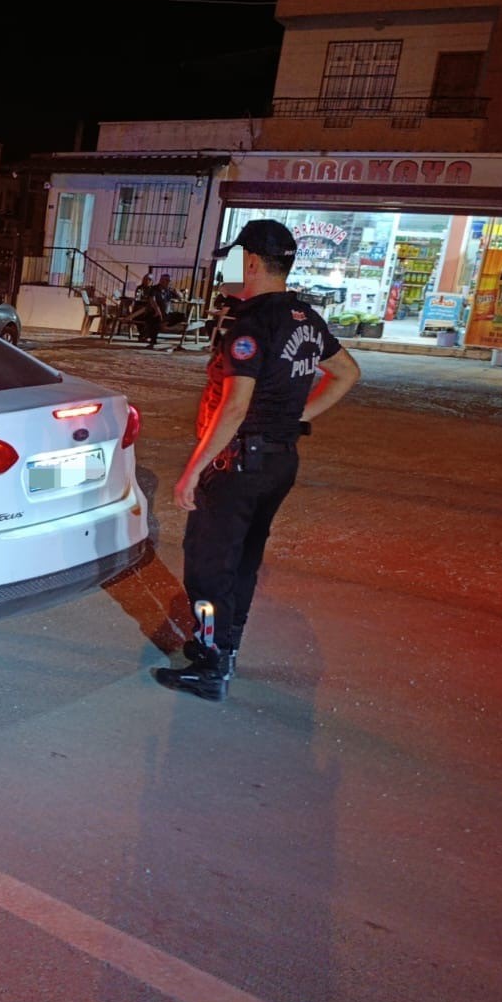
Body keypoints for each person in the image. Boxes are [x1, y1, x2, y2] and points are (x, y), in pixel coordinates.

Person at [154, 219, 362, 702]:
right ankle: (226, 646)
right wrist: (297, 412)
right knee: (243, 561)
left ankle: (209, 664)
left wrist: (192, 472)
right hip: (280, 462)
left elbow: (234, 407)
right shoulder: (306, 319)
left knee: (207, 569)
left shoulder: (250, 323)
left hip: (238, 466)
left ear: (250, 261)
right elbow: (347, 373)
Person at [137, 273, 176, 349]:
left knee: (182, 316)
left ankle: (165, 325)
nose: (168, 282)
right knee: (155, 319)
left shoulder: (168, 290)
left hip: (166, 313)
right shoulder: (154, 289)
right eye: (167, 280)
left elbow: (179, 297)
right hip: (154, 312)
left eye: (169, 281)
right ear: (161, 281)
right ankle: (152, 340)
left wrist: (175, 291)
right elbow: (152, 299)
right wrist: (158, 310)